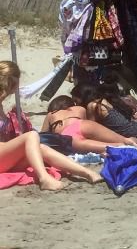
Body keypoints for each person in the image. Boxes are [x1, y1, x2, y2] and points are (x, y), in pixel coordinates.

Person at [1, 61, 104, 190]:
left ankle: (87, 173)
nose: (17, 87)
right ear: (9, 81)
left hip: (3, 155)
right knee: (32, 136)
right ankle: (44, 178)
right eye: (16, 82)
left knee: (41, 148)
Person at [43, 96, 137, 157]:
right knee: (123, 139)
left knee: (113, 147)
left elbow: (44, 135)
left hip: (69, 136)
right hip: (84, 125)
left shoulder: (51, 114)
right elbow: (87, 125)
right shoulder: (78, 109)